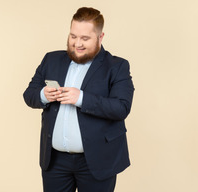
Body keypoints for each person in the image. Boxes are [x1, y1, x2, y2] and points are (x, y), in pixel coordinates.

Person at [23, 7, 134, 192]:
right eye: (73, 36)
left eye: (85, 38)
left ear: (100, 37)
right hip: (55, 161)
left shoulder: (117, 66)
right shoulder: (51, 59)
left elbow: (121, 107)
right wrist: (43, 95)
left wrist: (81, 98)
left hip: (97, 161)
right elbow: (29, 95)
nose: (77, 44)